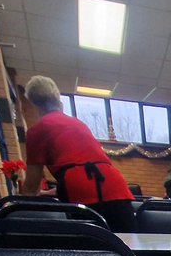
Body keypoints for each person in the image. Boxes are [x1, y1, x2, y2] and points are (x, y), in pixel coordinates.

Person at [20, 74, 136, 229]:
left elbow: (31, 187)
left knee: (87, 248)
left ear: (35, 105)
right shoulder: (78, 124)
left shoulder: (37, 130)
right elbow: (86, 168)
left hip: (80, 192)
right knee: (125, 244)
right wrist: (55, 191)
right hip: (116, 186)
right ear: (60, 103)